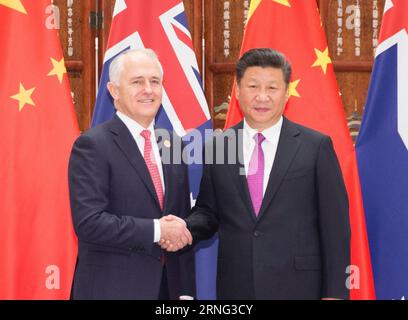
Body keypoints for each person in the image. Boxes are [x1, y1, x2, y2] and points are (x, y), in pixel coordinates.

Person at [163, 48, 351, 299]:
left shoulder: (315, 147)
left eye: (272, 88)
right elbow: (209, 212)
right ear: (238, 91)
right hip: (237, 286)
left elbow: (335, 227)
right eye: (253, 87)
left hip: (300, 286)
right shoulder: (218, 146)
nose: (262, 97)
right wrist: (185, 227)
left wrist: (335, 293)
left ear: (286, 94)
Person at [68, 48, 194, 300]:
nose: (148, 89)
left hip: (168, 290)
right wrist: (157, 230)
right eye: (137, 82)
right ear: (114, 91)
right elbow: (89, 222)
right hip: (113, 289)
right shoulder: (92, 145)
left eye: (155, 81)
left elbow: (178, 222)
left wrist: (186, 292)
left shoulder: (173, 144)